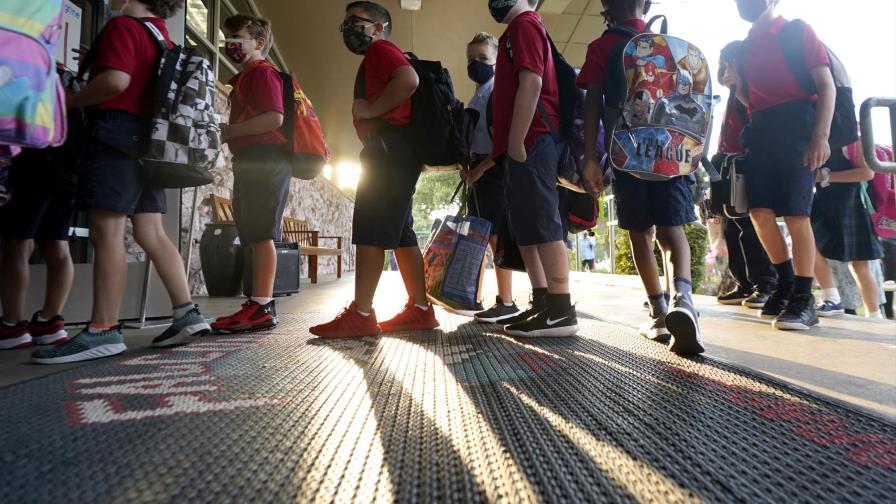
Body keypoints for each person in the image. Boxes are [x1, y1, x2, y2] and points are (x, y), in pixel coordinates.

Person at [33, 0, 210, 365]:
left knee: (106, 231)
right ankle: (186, 313)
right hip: (151, 142)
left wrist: (70, 99)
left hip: (116, 135)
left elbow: (116, 81)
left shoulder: (122, 28)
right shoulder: (161, 36)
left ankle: (103, 329)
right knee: (151, 231)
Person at [579, 0, 703, 355]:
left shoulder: (602, 47)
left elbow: (592, 104)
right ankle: (684, 298)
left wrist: (591, 157)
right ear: (646, 4)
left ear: (605, 5)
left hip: (628, 153)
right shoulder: (670, 47)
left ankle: (659, 313)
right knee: (672, 228)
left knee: (639, 232)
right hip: (670, 153)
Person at [311, 2, 438, 338]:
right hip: (398, 152)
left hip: (387, 150)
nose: (348, 28)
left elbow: (408, 80)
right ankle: (421, 309)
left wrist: (370, 109)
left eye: (356, 21)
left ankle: (362, 314)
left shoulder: (381, 49)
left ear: (379, 26)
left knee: (370, 227)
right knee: (401, 233)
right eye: (346, 23)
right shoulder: (380, 54)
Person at [734, 0, 836, 331]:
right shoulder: (746, 45)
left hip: (797, 126)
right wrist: (736, 85)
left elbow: (826, 85)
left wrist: (820, 137)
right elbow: (750, 98)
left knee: (796, 213)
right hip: (761, 128)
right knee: (759, 213)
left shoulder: (796, 31)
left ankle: (805, 298)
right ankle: (787, 283)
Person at [485, 0, 578, 338]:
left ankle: (561, 308)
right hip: (528, 142)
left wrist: (516, 139)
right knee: (527, 225)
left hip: (533, 139)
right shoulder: (517, 28)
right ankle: (543, 302)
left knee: (542, 220)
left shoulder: (525, 24)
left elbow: (532, 82)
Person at [211, 14, 291, 334]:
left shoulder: (262, 73)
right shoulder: (245, 77)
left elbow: (274, 118)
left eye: (237, 37)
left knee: (261, 233)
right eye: (226, 38)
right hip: (252, 160)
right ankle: (257, 301)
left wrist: (231, 131)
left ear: (258, 43)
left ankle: (262, 304)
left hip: (266, 160)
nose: (230, 44)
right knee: (253, 233)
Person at [460, 32, 523, 324]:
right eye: (471, 59)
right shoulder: (481, 92)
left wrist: (478, 170)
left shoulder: (496, 92)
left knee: (496, 238)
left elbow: (500, 143)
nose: (476, 64)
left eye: (483, 59)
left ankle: (506, 301)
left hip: (492, 171)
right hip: (479, 170)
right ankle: (473, 297)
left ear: (497, 61)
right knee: (484, 237)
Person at [713, 41, 777, 308]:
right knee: (731, 225)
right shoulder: (730, 95)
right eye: (724, 64)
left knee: (750, 226)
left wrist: (739, 87)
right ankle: (744, 283)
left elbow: (759, 117)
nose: (726, 70)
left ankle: (766, 284)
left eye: (731, 63)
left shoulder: (754, 90)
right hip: (728, 165)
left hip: (748, 164)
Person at [0, 156, 74, 350]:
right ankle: (49, 323)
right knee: (58, 243)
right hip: (68, 164)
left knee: (18, 241)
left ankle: (12, 326)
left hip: (32, 160)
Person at [811, 141, 884, 318]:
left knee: (859, 264)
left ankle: (874, 315)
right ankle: (832, 298)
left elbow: (867, 173)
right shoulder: (810, 138)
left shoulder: (852, 139)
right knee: (809, 249)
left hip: (850, 205)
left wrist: (825, 176)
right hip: (822, 204)